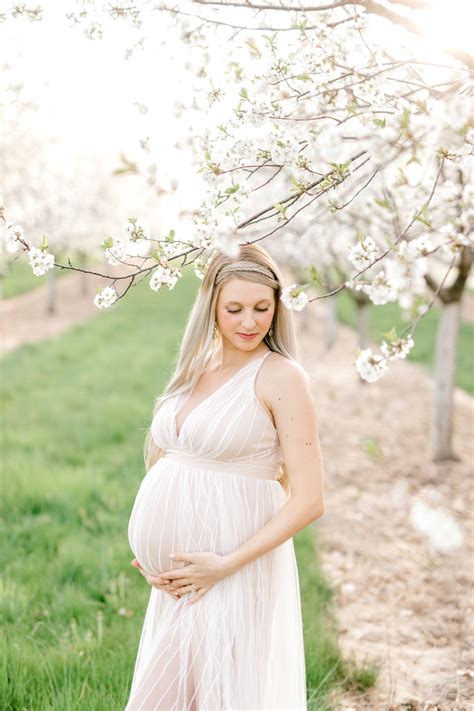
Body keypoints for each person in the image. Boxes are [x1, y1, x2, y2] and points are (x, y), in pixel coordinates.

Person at [125, 243, 325, 710]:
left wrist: (226, 564)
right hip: (182, 576)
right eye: (234, 309)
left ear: (278, 309)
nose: (250, 322)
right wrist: (153, 549)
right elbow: (168, 456)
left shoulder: (282, 377)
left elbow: (310, 499)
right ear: (210, 307)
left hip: (231, 567)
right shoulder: (196, 367)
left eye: (262, 308)